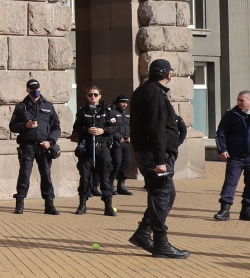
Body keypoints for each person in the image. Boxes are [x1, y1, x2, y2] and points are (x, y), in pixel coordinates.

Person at [128, 58, 188, 258]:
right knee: (162, 195)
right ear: (168, 74)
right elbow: (156, 129)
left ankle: (143, 233)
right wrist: (161, 161)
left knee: (164, 195)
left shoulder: (145, 91)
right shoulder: (155, 94)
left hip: (151, 152)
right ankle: (161, 242)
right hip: (154, 155)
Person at [9, 78, 61, 215]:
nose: (35, 91)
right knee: (24, 174)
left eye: (37, 88)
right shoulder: (21, 106)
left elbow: (56, 127)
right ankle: (19, 203)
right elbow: (12, 126)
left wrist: (50, 141)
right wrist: (25, 125)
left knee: (46, 175)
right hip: (28, 146)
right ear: (27, 90)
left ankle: (49, 204)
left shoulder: (48, 106)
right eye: (32, 89)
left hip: (44, 147)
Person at [212, 91, 250, 222]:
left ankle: (246, 210)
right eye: (238, 100)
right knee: (230, 182)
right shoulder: (231, 114)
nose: (239, 102)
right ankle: (225, 209)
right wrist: (222, 149)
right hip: (236, 156)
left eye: (242, 100)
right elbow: (221, 133)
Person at [70, 86, 118, 215]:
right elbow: (76, 127)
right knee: (85, 177)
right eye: (90, 95)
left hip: (102, 147)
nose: (93, 97)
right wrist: (87, 130)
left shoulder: (108, 111)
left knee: (105, 177)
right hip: (87, 147)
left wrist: (103, 131)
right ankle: (82, 204)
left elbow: (114, 127)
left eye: (95, 95)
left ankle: (108, 205)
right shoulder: (82, 111)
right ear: (87, 96)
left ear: (100, 96)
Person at [111, 94, 133, 195]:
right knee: (117, 163)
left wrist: (130, 137)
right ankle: (110, 185)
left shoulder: (128, 114)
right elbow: (111, 127)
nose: (124, 104)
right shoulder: (112, 113)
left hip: (127, 143)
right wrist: (118, 137)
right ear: (117, 103)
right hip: (117, 143)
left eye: (126, 103)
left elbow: (132, 127)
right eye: (122, 102)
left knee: (125, 164)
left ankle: (121, 185)